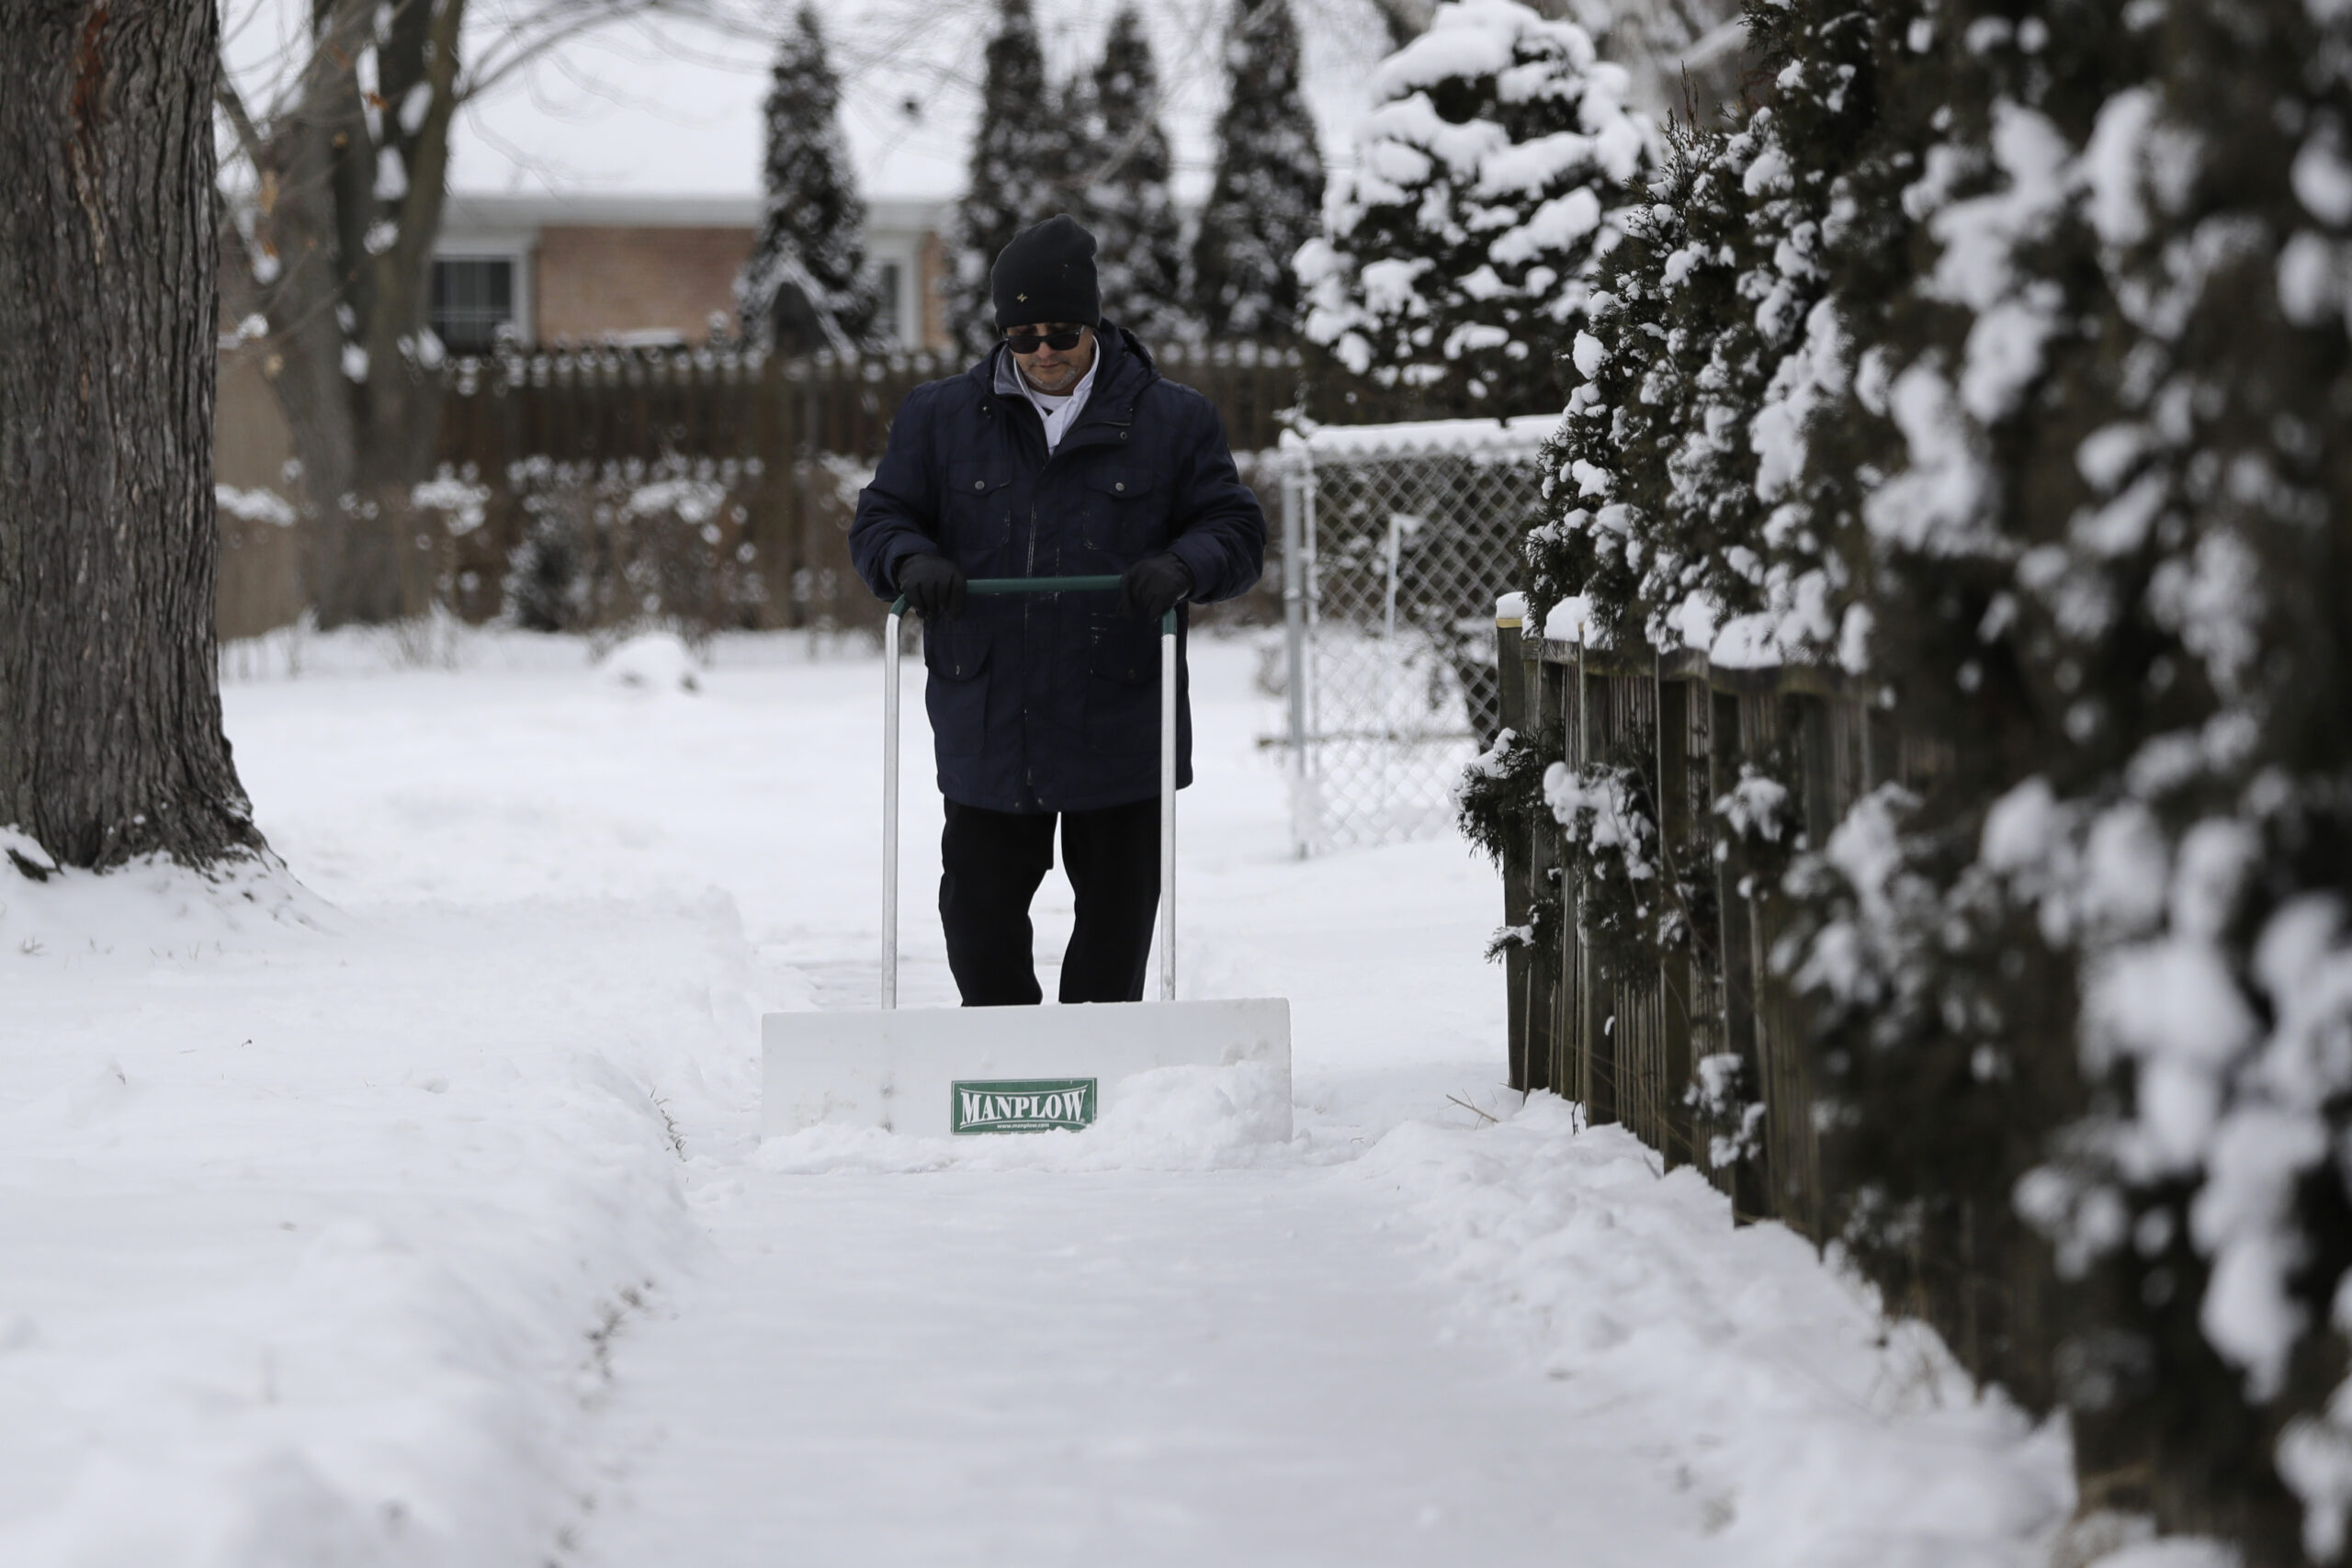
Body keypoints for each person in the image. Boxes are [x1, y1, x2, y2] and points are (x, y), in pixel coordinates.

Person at [849, 214, 1266, 1007]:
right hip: (989, 718)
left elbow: (1236, 529)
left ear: (1095, 324)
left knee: (1115, 924)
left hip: (1118, 713)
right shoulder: (940, 419)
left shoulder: (1172, 420)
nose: (1044, 350)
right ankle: (1006, 1067)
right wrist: (912, 559)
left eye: (1062, 331)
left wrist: (1183, 565)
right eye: (1024, 333)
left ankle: (1101, 1074)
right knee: (978, 920)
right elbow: (880, 519)